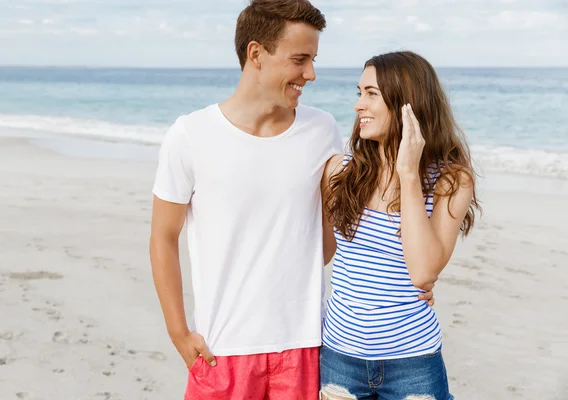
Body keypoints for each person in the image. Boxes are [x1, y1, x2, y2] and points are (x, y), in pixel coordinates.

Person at [150, 0, 434, 397]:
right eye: (300, 59)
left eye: (313, 59)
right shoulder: (190, 134)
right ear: (256, 55)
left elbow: (350, 225)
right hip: (223, 347)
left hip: (306, 344)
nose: (311, 74)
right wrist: (178, 332)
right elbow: (163, 237)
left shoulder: (322, 130)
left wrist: (400, 282)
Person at [319, 51, 480, 400]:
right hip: (339, 356)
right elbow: (320, 251)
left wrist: (408, 174)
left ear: (407, 103)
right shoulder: (338, 171)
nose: (358, 105)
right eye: (359, 92)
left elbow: (423, 272)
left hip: (412, 362)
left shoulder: (450, 180)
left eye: (371, 94)